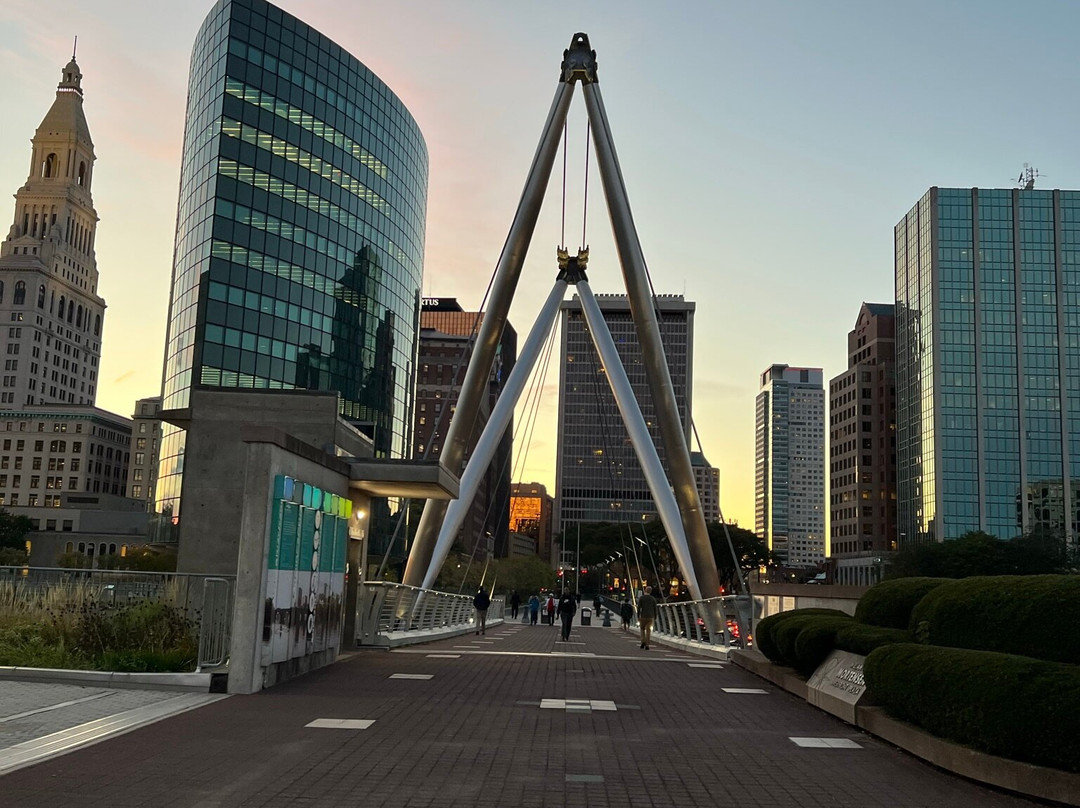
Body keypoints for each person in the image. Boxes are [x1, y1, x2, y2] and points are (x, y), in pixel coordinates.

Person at [637, 585, 658, 649]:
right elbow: (655, 608)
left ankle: (642, 641)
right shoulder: (653, 599)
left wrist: (638, 615)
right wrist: (655, 616)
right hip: (650, 617)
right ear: (651, 591)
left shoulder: (641, 598)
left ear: (645, 590)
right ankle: (647, 644)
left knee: (642, 629)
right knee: (648, 631)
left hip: (643, 616)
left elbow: (639, 607)